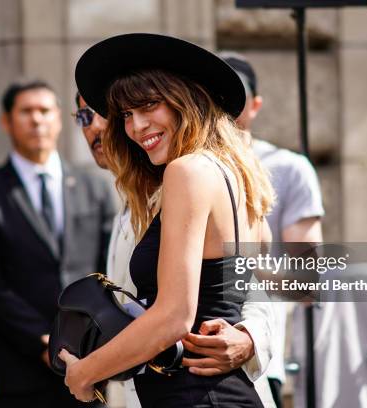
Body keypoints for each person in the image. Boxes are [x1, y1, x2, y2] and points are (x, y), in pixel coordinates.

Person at [58, 33, 274, 407]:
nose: (137, 126)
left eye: (148, 105)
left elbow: (174, 317)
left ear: (184, 102)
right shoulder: (236, 174)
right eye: (126, 114)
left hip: (197, 395)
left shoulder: (187, 172)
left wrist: (86, 372)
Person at [0, 79, 115, 407]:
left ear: (60, 118)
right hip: (19, 368)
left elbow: (108, 270)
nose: (37, 120)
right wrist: (43, 340)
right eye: (26, 112)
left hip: (90, 362)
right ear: (6, 121)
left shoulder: (96, 188)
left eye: (45, 111)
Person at [219, 52, 325, 408]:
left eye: (236, 95)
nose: (223, 106)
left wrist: (234, 264)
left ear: (256, 104)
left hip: (259, 355)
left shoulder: (289, 168)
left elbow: (308, 283)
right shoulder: (178, 169)